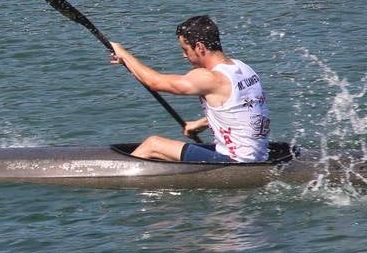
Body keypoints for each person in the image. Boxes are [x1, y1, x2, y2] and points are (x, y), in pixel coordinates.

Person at [108, 15, 270, 163]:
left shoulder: (209, 78)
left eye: (185, 50)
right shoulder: (243, 68)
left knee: (153, 144)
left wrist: (124, 55)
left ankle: (112, 177)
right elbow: (242, 109)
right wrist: (202, 123)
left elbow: (154, 83)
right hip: (259, 156)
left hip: (235, 163)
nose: (184, 56)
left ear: (199, 47)